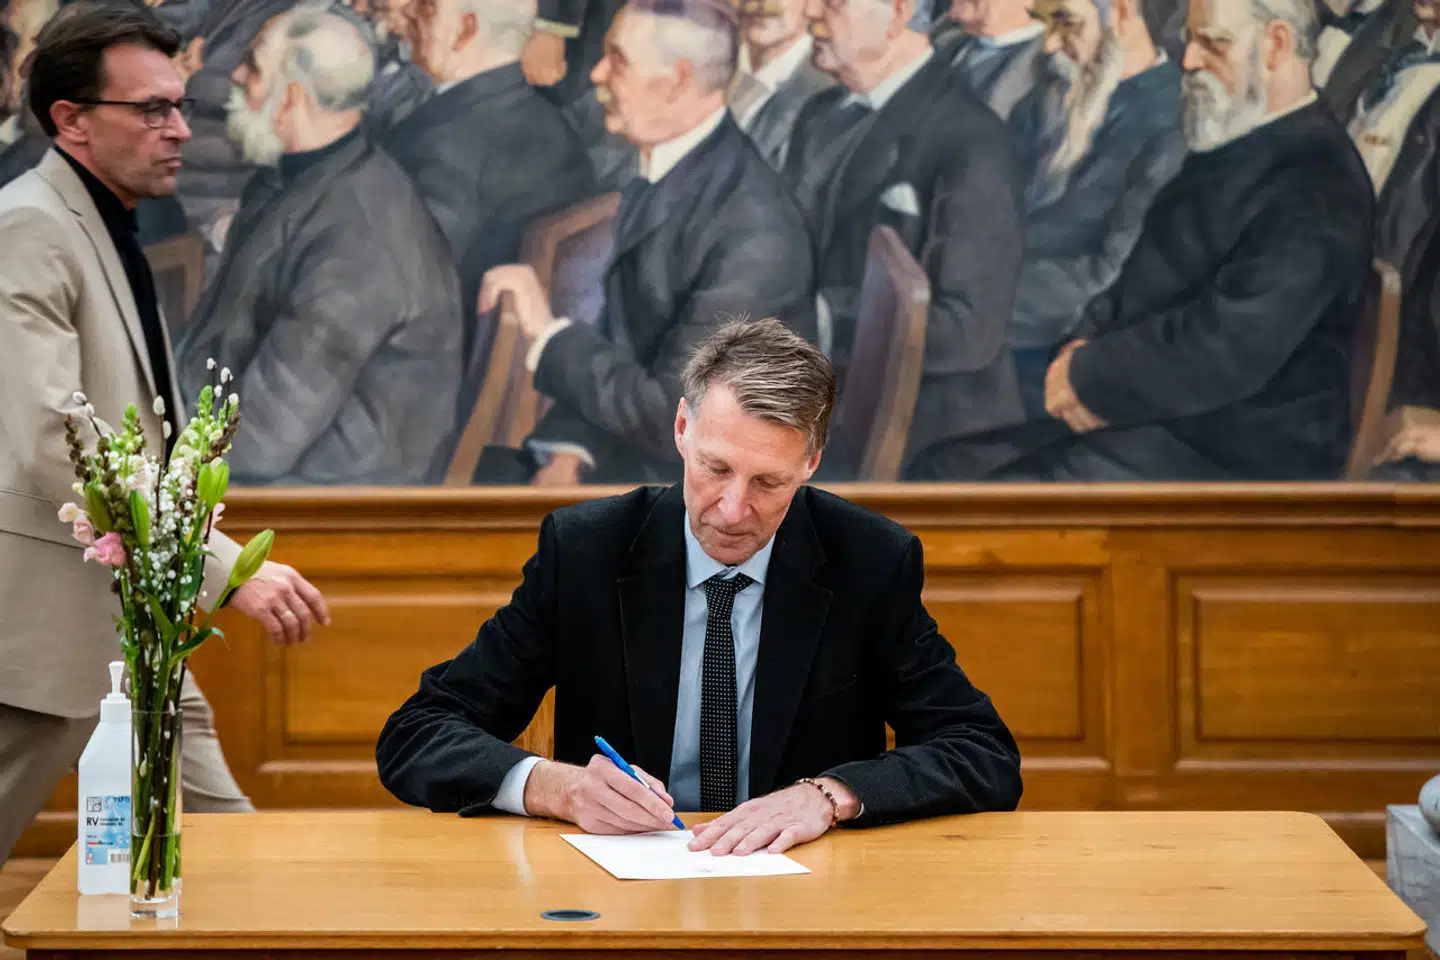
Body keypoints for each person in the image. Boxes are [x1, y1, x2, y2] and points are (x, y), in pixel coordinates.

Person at [377, 318, 1022, 854]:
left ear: (810, 463)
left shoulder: (868, 561)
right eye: (716, 468)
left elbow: (983, 752)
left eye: (768, 482)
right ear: (682, 430)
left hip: (805, 900)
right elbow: (417, 733)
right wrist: (558, 789)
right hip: (616, 902)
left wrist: (828, 796)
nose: (733, 510)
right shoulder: (587, 551)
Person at [0, 1, 330, 869]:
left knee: (227, 847)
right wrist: (224, 566)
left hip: (134, 617)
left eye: (179, 106)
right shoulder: (30, 226)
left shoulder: (98, 219)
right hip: (42, 629)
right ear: (71, 119)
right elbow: (58, 440)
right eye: (151, 109)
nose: (180, 129)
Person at [915, 0, 1376, 481]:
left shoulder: (1321, 182)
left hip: (1241, 451)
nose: (1189, 60)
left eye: (1212, 44)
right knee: (941, 469)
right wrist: (1084, 342)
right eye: (1191, 40)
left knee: (991, 492)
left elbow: (1228, 347)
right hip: (1156, 416)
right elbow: (1143, 276)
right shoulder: (1231, 137)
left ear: (1276, 45)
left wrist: (1089, 374)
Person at [475, 0, 816, 486]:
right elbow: (625, 352)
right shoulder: (667, 173)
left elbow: (674, 416)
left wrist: (546, 334)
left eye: (617, 59)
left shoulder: (754, 231)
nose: (596, 73)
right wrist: (569, 452)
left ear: (677, 80)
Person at [173, 2, 465, 485]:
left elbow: (263, 439)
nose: (237, 76)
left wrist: (153, 459)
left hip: (326, 500)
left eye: (253, 67)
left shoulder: (360, 237)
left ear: (291, 98)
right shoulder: (294, 181)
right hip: (257, 463)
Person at [787, 0, 1025, 479]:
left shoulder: (971, 140)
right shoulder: (819, 117)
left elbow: (968, 330)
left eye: (832, 2)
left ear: (897, 14)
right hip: (821, 415)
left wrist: (823, 319)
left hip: (933, 445)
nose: (810, 11)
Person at [1005, 0, 1185, 417]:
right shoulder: (1053, 90)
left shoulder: (1172, 125)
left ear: (1121, 11)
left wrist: (986, 296)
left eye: (1067, 23)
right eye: (1047, 23)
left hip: (1042, 348)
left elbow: (1110, 276)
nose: (1050, 44)